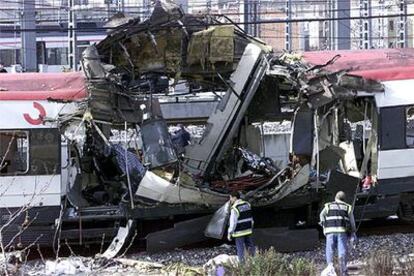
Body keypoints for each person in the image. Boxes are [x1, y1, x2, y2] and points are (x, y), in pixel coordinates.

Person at [320, 191, 357, 276]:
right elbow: (352, 221)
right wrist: (353, 231)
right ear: (344, 199)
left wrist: (323, 225)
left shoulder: (328, 205)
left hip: (329, 232)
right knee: (342, 251)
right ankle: (343, 272)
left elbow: (321, 215)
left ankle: (330, 269)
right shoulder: (348, 207)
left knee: (330, 250)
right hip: (342, 232)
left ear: (335, 198)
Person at [227, 191, 255, 263]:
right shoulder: (247, 204)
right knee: (251, 247)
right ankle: (255, 262)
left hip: (239, 232)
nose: (230, 199)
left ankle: (242, 266)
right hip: (248, 230)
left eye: (230, 198)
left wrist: (229, 233)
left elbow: (233, 223)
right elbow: (251, 219)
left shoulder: (235, 208)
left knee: (240, 249)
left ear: (235, 198)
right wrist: (251, 227)